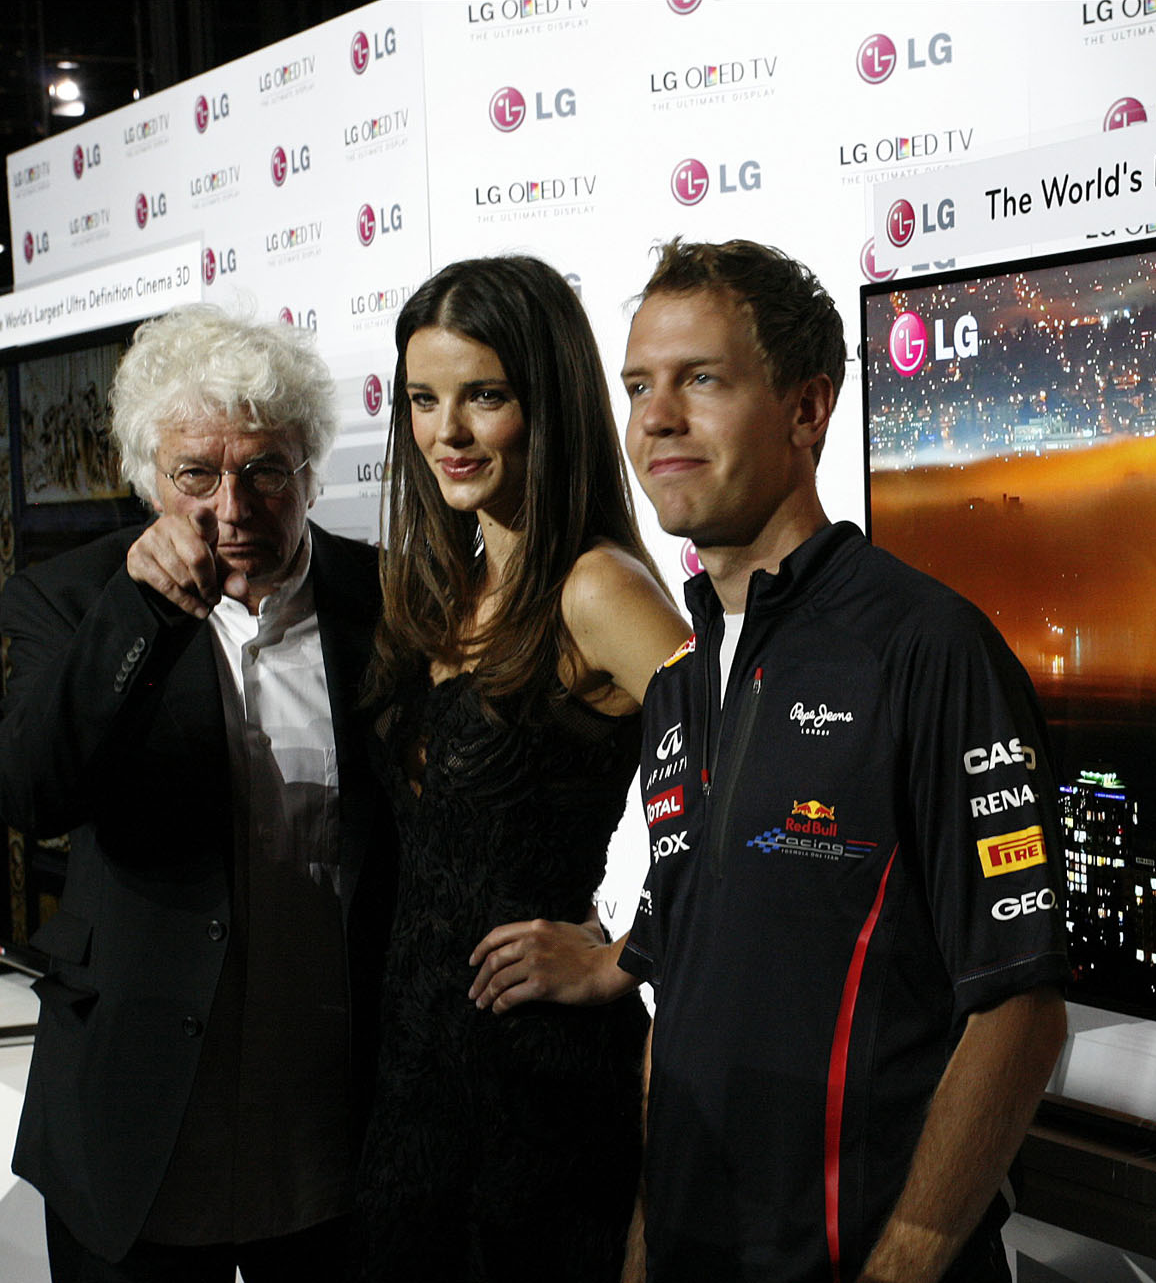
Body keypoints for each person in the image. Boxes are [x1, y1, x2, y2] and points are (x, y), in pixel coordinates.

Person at [608, 238, 1071, 1282]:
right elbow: (676, 1003)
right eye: (638, 384)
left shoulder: (924, 646)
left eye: (701, 380)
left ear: (807, 410)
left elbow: (1019, 1010)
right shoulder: (679, 685)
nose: (656, 417)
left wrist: (899, 1266)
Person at [0, 305, 395, 1282]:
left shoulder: (389, 602)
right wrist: (138, 615)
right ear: (150, 479)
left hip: (331, 1116)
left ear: (309, 467)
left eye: (264, 469)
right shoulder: (77, 601)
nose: (232, 507)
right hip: (139, 1115)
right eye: (196, 476)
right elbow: (33, 790)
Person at [352, 254, 688, 1283]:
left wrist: (624, 955)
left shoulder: (597, 588)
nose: (446, 433)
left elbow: (757, 792)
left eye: (482, 396)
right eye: (423, 400)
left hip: (536, 1095)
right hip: (414, 1084)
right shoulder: (442, 584)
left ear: (543, 401)